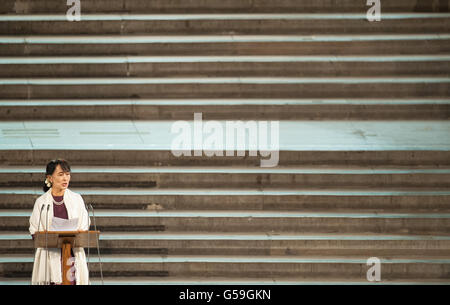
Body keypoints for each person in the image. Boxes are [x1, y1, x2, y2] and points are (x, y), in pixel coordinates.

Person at [29, 159, 90, 285]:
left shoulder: (76, 199)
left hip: (71, 254)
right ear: (50, 178)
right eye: (61, 174)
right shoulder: (41, 202)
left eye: (67, 174)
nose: (65, 178)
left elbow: (84, 224)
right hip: (50, 255)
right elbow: (35, 229)